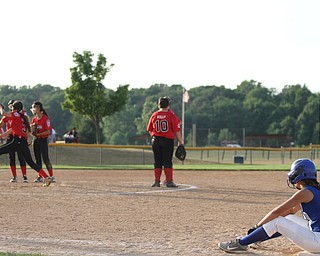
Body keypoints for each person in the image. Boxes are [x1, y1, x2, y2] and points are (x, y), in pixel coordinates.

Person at [218, 158, 320, 254]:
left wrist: (257, 226)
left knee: (277, 222)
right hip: (316, 236)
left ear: (298, 175)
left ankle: (240, 244)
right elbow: (291, 211)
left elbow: (277, 212)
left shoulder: (305, 192)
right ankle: (255, 239)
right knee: (289, 218)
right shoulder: (315, 190)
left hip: (317, 242)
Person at [0, 101, 53, 186]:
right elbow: (12, 130)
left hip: (17, 141)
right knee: (31, 162)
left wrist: (0, 107)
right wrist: (2, 135)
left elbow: (3, 113)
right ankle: (46, 177)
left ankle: (46, 177)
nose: (11, 108)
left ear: (15, 108)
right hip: (22, 142)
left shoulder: (16, 114)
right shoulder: (22, 116)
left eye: (12, 107)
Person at [147, 96, 183, 188]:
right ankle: (169, 181)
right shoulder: (171, 115)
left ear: (159, 105)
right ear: (168, 105)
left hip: (156, 140)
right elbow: (176, 130)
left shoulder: (154, 115)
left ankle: (156, 182)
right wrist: (181, 142)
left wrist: (154, 136)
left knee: (157, 161)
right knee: (167, 161)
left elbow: (150, 129)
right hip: (167, 141)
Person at [0, 99, 28, 182]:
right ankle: (14, 176)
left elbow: (20, 127)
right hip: (10, 137)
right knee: (11, 157)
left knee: (21, 157)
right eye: (10, 105)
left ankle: (24, 176)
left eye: (12, 105)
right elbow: (1, 124)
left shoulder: (17, 115)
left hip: (17, 137)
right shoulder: (8, 116)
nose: (11, 106)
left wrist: (2, 135)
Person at [30, 101, 55, 183]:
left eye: (34, 107)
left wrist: (38, 134)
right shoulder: (34, 119)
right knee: (38, 160)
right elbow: (31, 131)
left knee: (46, 159)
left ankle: (51, 176)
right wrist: (32, 129)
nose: (33, 109)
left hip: (43, 140)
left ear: (39, 108)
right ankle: (40, 176)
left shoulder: (45, 118)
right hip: (36, 140)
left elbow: (48, 132)